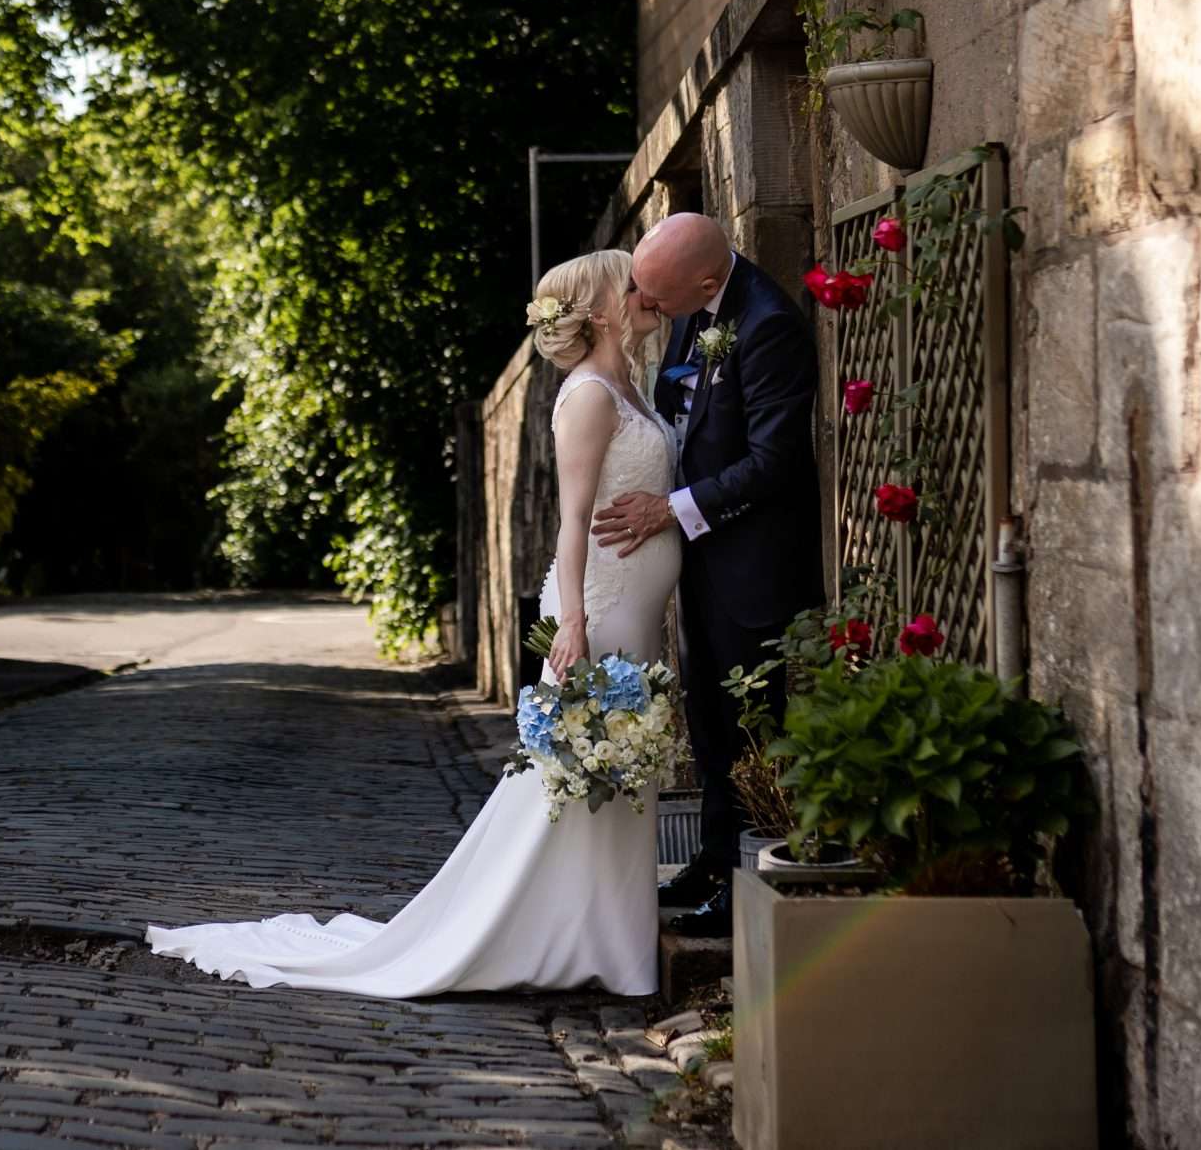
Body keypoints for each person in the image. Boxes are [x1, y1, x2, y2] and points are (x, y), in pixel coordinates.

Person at [147, 250, 679, 995]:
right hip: (602, 606)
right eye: (631, 283)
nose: (647, 290)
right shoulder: (587, 395)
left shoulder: (634, 383)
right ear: (597, 310)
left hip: (638, 606)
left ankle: (610, 940)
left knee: (617, 770)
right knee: (580, 771)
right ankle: (555, 940)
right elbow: (571, 522)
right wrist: (577, 625)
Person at [591, 213, 821, 938]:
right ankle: (712, 859)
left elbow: (773, 460)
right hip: (701, 562)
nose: (650, 310)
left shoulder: (770, 325)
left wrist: (672, 506)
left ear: (708, 280)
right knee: (709, 721)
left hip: (755, 565)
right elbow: (680, 411)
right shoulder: (698, 313)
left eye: (658, 299)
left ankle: (745, 882)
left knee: (751, 728)